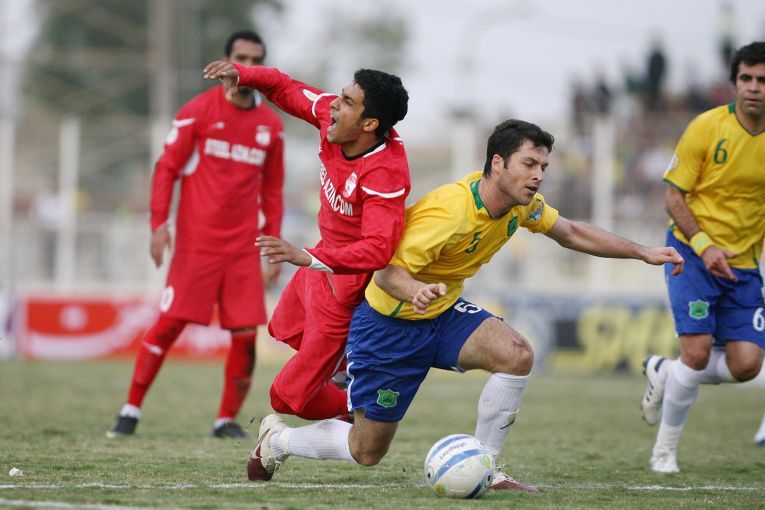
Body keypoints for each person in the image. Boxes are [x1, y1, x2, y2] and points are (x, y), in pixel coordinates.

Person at [245, 119, 684, 490]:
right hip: (388, 325)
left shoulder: (520, 206)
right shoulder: (450, 212)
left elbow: (570, 232)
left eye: (543, 167)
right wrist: (415, 292)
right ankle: (279, 441)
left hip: (440, 313)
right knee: (367, 450)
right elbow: (385, 272)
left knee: (516, 354)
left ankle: (488, 468)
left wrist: (642, 251)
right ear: (498, 163)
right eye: (529, 164)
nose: (538, 176)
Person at [202, 57, 410, 422]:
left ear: (370, 124)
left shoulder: (385, 173)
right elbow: (284, 86)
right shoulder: (333, 118)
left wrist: (309, 257)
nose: (334, 104)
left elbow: (379, 249)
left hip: (346, 289)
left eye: (347, 101)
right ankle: (350, 372)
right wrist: (244, 74)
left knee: (285, 399)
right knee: (281, 328)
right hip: (319, 265)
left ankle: (360, 411)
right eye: (341, 95)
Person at [107, 30, 285, 439]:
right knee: (169, 325)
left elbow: (273, 191)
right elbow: (166, 168)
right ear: (225, 61)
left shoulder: (271, 126)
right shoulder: (198, 112)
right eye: (241, 58)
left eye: (255, 60)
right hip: (197, 244)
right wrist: (159, 224)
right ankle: (130, 410)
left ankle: (226, 420)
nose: (247, 66)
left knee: (245, 334)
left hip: (243, 248)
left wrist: (273, 245)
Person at [640, 41, 765, 473]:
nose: (754, 87)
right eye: (746, 78)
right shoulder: (707, 127)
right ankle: (664, 453)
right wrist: (705, 245)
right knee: (695, 353)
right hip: (691, 255)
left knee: (747, 365)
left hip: (742, 265)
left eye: (762, 80)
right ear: (734, 83)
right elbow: (673, 197)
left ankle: (664, 371)